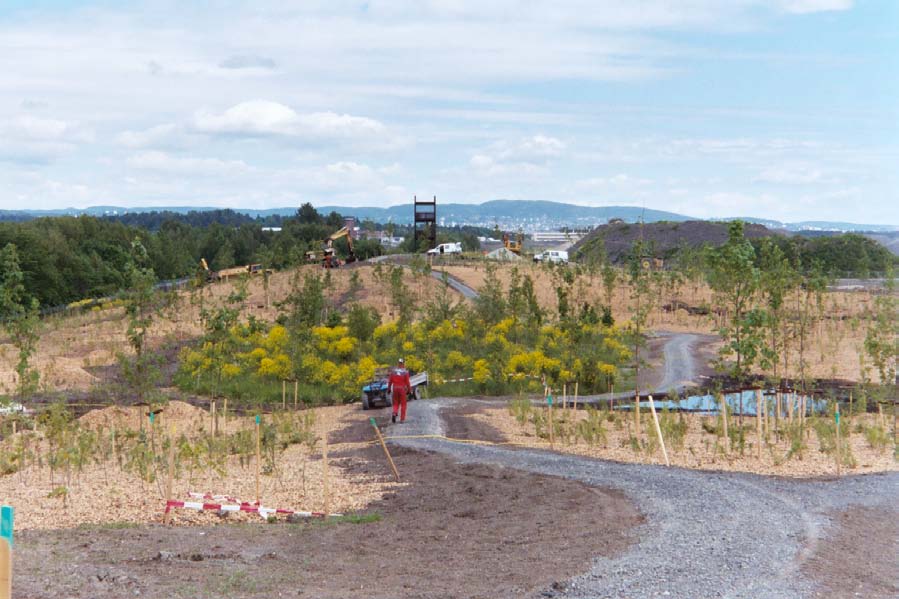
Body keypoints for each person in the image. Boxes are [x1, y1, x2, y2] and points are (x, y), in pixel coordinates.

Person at [389, 358, 412, 424]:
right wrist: (409, 390)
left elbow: (390, 381)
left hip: (395, 389)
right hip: (402, 389)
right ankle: (402, 419)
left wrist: (389, 389)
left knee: (396, 403)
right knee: (403, 404)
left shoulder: (393, 371)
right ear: (403, 363)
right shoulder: (405, 372)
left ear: (398, 363)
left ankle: (394, 413)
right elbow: (407, 383)